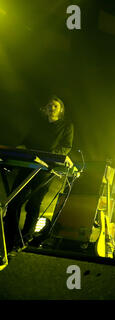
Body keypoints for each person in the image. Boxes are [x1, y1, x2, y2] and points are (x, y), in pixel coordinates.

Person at [3, 95, 74, 254]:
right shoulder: (38, 124)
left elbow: (66, 147)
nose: (51, 108)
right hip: (29, 165)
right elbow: (27, 141)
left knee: (33, 204)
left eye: (55, 106)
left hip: (46, 168)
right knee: (13, 202)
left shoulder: (66, 126)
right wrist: (20, 147)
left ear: (61, 109)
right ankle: (9, 238)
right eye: (49, 105)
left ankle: (25, 239)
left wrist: (49, 155)